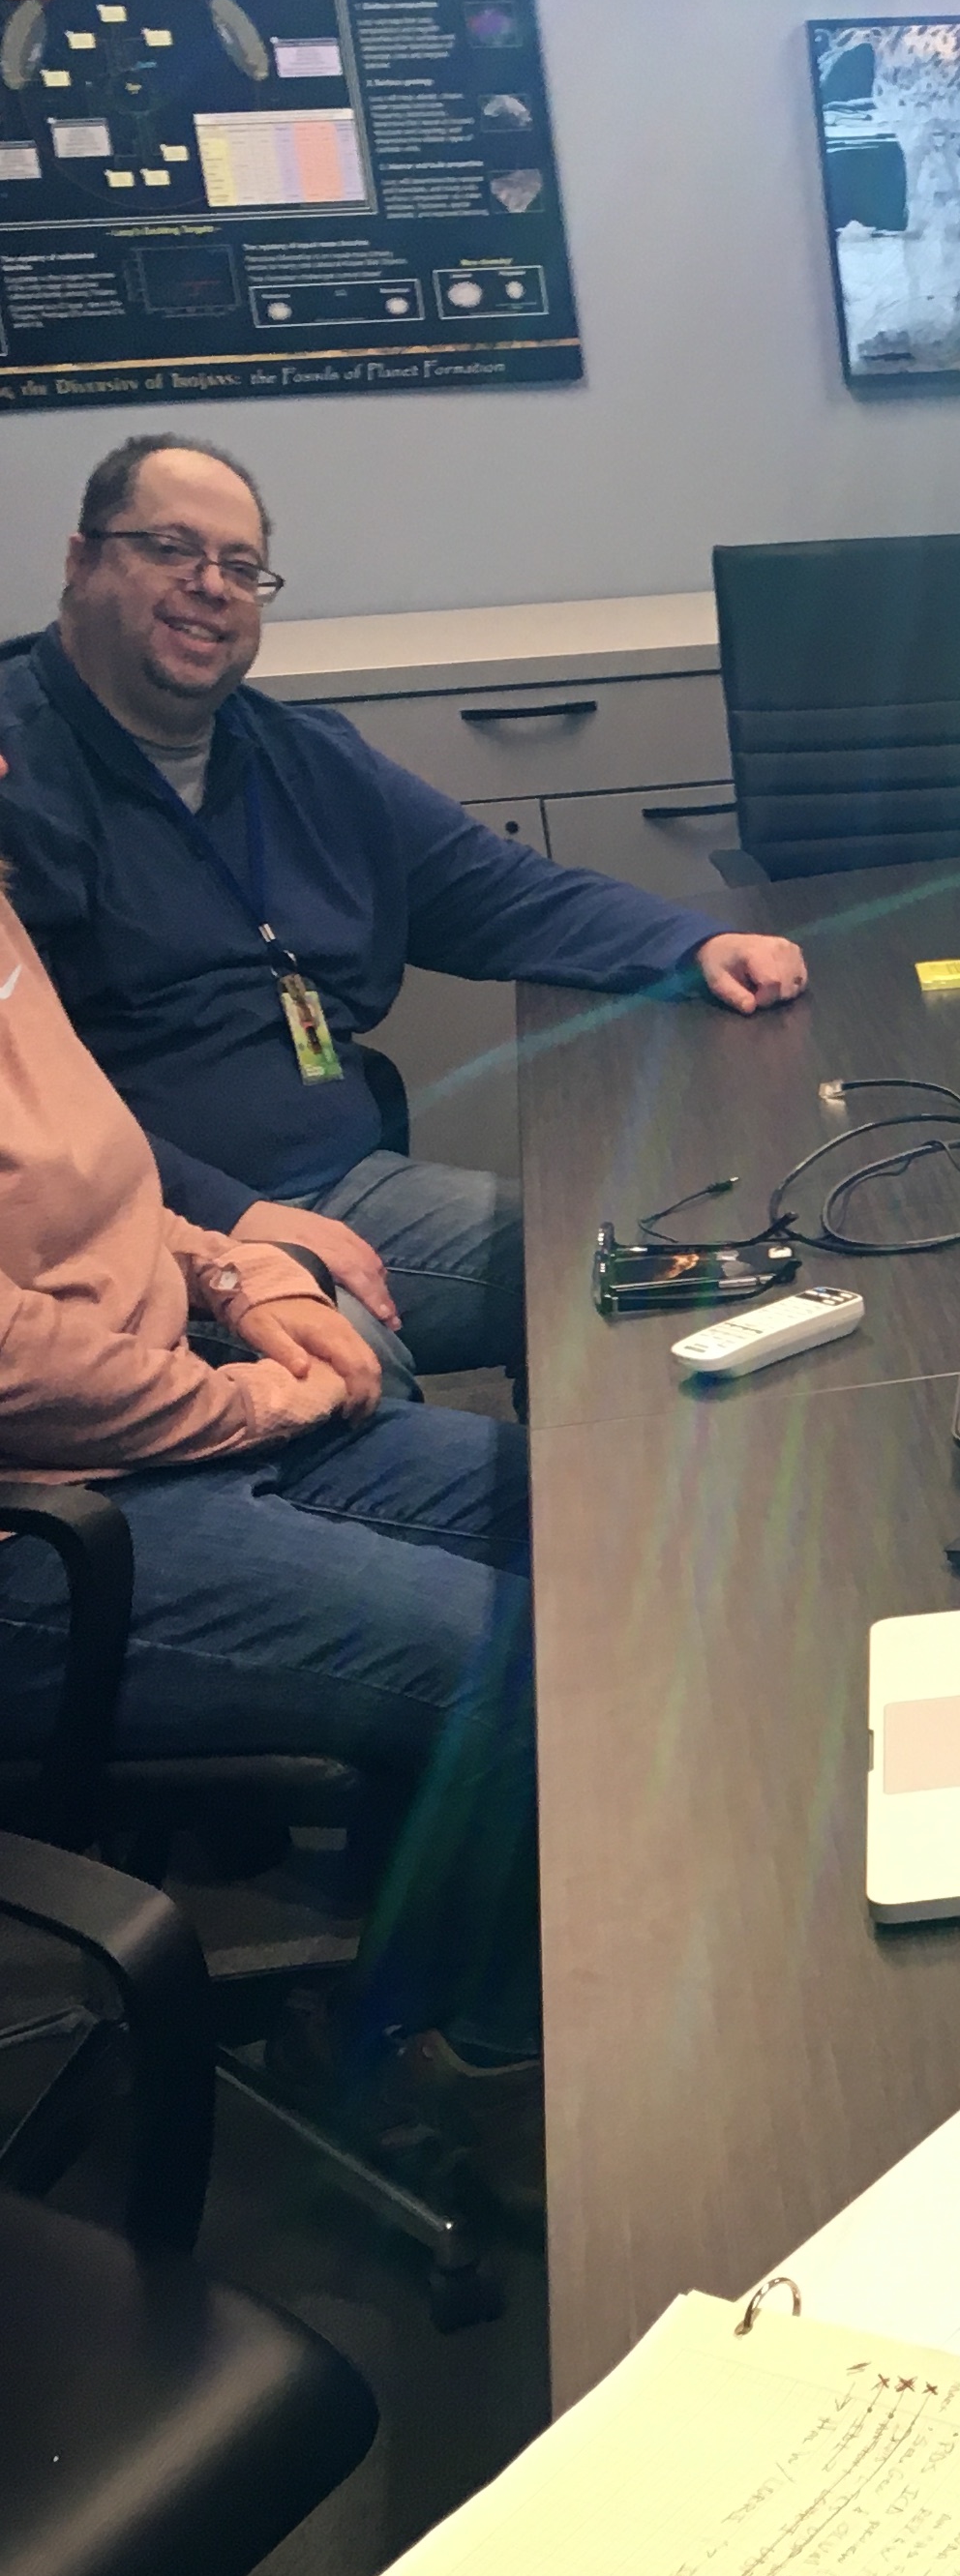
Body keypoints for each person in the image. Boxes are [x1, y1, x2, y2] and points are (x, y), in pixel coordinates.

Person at [0, 431, 809, 1384]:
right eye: (171, 548)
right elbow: (28, 1123)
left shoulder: (300, 755)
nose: (211, 585)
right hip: (148, 1234)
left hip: (351, 1187)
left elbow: (497, 891)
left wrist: (694, 940)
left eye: (242, 567)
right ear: (82, 560)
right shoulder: (17, 775)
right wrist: (232, 1213)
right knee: (351, 1378)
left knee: (659, 1276)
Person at [0, 830, 540, 2182]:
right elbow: (14, 1359)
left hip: (156, 1419)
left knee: (585, 1519)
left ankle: (434, 1948)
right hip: (45, 1526)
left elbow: (104, 1196)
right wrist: (242, 1403)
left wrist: (241, 1275)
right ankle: (446, 2064)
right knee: (517, 1659)